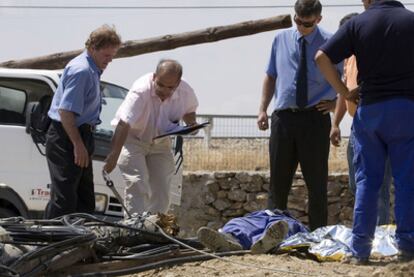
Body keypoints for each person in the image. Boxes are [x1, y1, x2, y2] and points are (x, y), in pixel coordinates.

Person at [316, 0, 414, 264]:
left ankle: (360, 250)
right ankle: (408, 248)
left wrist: (344, 91)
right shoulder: (410, 20)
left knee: (367, 183)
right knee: (406, 181)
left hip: (369, 112)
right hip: (406, 110)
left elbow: (321, 57)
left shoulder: (359, 22)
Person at [257, 0, 342, 231]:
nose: (302, 26)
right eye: (298, 21)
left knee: (316, 183)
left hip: (315, 118)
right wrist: (263, 108)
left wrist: (336, 104)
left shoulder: (331, 43)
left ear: (318, 19)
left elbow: (344, 79)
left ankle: (318, 235)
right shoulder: (280, 39)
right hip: (284, 118)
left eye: (308, 23)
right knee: (278, 182)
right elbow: (271, 75)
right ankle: (273, 233)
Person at [103, 59, 198, 215]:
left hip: (161, 143)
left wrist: (192, 123)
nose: (165, 91)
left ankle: (154, 229)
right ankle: (135, 227)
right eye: (160, 85)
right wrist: (113, 156)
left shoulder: (186, 91)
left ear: (178, 83)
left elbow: (189, 111)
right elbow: (124, 124)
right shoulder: (140, 91)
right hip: (133, 139)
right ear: (154, 77)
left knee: (162, 190)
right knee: (137, 183)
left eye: (170, 88)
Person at [45, 25, 121, 219]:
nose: (110, 61)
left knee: (84, 197)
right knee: (65, 198)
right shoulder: (82, 71)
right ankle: (54, 243)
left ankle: (81, 240)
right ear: (93, 48)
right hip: (67, 135)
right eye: (106, 55)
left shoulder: (93, 69)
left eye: (112, 56)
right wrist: (77, 144)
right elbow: (66, 111)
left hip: (81, 133)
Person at [330, 12, 392, 226]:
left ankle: (380, 234)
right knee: (357, 184)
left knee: (379, 185)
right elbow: (344, 92)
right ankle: (366, 228)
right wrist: (336, 124)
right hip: (357, 126)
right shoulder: (348, 59)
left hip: (377, 124)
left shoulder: (374, 54)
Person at [197, 209, 309, 254]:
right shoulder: (262, 212)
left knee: (282, 226)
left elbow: (307, 237)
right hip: (260, 215)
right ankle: (230, 240)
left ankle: (266, 243)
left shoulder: (296, 223)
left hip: (284, 219)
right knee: (237, 223)